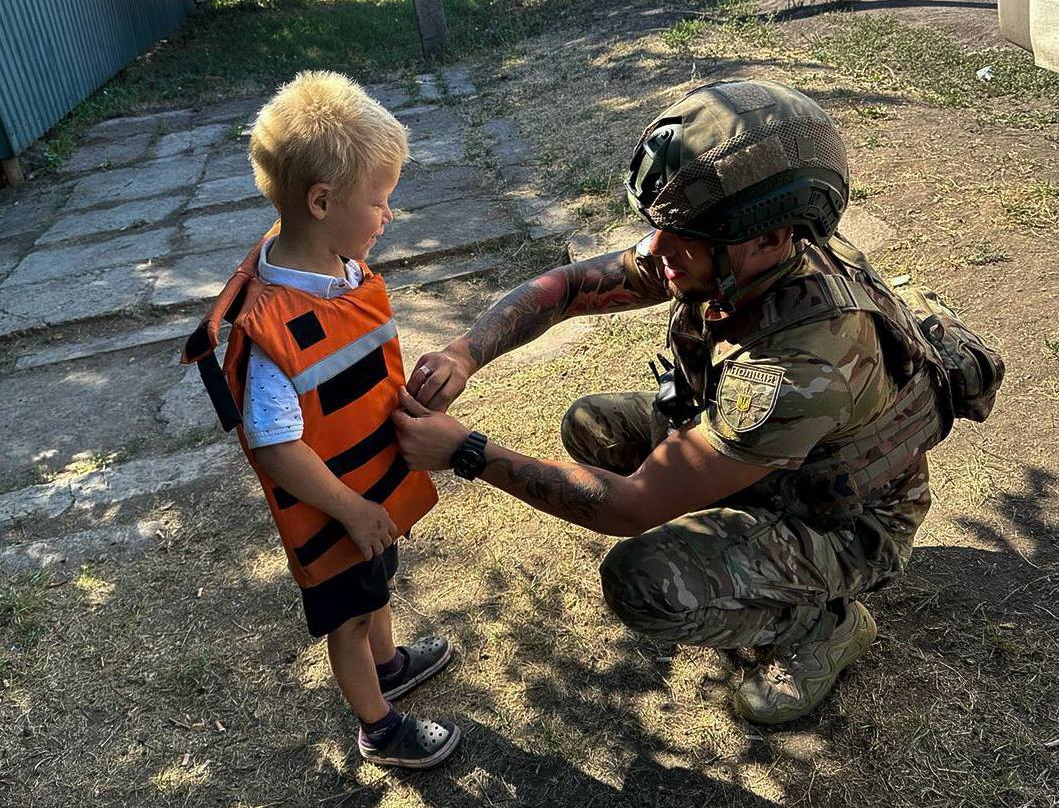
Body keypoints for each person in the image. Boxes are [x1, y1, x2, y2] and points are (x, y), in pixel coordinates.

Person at [393, 79, 954, 725]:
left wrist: (466, 451)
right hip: (785, 462)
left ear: (771, 237)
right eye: (658, 227)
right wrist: (467, 351)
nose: (655, 251)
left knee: (642, 580)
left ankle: (818, 626)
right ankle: (737, 539)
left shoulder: (801, 363)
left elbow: (633, 506)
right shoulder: (741, 246)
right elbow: (573, 286)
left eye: (684, 236)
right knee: (594, 427)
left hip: (846, 523)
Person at [181, 71, 460, 767]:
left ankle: (389, 663)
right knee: (350, 614)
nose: (387, 215)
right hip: (336, 509)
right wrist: (353, 508)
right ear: (321, 200)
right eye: (380, 200)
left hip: (370, 492)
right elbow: (274, 447)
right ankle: (379, 725)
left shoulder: (337, 269)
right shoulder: (274, 326)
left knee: (379, 582)